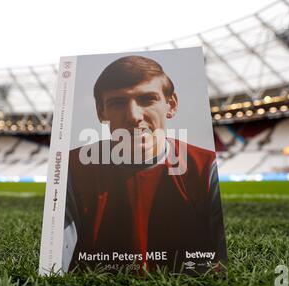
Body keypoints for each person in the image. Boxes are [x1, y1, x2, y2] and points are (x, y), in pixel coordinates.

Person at [62, 55, 227, 274]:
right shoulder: (71, 169)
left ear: (171, 104)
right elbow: (54, 268)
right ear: (101, 112)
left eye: (147, 99)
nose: (133, 116)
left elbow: (227, 266)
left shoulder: (207, 168)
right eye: (118, 103)